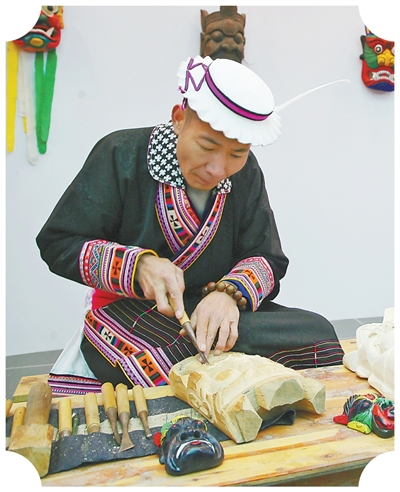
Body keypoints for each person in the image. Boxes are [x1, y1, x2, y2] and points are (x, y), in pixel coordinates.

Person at [36, 55, 344, 395]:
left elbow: (267, 257)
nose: (218, 169)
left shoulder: (246, 173)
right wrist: (139, 266)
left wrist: (227, 294)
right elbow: (58, 242)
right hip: (130, 314)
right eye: (207, 146)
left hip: (211, 312)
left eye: (237, 153)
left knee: (317, 334)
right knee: (162, 359)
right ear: (179, 119)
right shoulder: (120, 153)